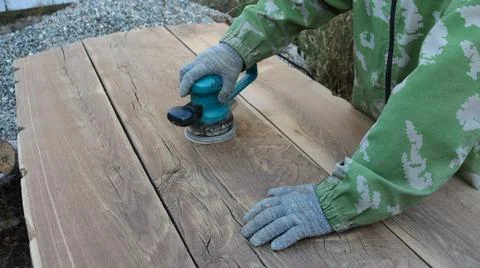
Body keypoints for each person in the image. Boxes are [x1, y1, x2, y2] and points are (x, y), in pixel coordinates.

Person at [178, 0, 480, 251]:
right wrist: (238, 46)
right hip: (373, 142)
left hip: (460, 183)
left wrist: (338, 201)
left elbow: (439, 97)